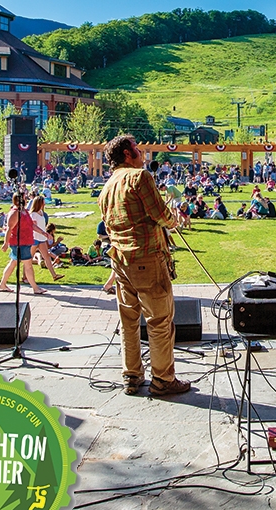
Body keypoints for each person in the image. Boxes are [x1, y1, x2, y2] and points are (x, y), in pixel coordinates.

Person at [98, 134, 190, 397]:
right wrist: (172, 221)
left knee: (129, 322)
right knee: (160, 321)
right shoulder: (141, 178)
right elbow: (161, 215)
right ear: (127, 154)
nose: (142, 154)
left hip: (120, 262)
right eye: (137, 150)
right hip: (147, 259)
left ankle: (132, 375)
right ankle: (163, 380)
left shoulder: (107, 187)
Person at [0, 192, 50, 295]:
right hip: (19, 243)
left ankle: (2, 284)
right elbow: (9, 229)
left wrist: (43, 232)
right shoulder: (15, 213)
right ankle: (35, 288)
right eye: (24, 198)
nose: (26, 199)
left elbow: (31, 225)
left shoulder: (24, 211)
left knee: (13, 263)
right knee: (28, 265)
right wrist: (5, 243)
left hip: (26, 241)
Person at [30, 196, 64, 282]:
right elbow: (33, 227)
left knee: (47, 257)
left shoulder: (41, 212)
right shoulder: (33, 214)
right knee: (29, 259)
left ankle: (54, 275)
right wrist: (43, 233)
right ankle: (24, 276)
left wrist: (46, 235)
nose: (44, 203)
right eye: (43, 202)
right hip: (35, 238)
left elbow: (42, 226)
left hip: (42, 239)